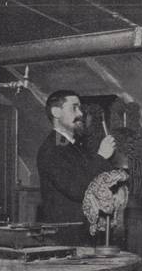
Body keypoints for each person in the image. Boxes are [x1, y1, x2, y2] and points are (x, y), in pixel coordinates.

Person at [35, 90, 117, 245]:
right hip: (66, 238)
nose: (80, 113)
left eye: (80, 108)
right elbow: (78, 189)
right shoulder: (52, 150)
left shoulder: (71, 145)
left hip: (82, 234)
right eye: (74, 108)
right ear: (56, 112)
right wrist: (101, 157)